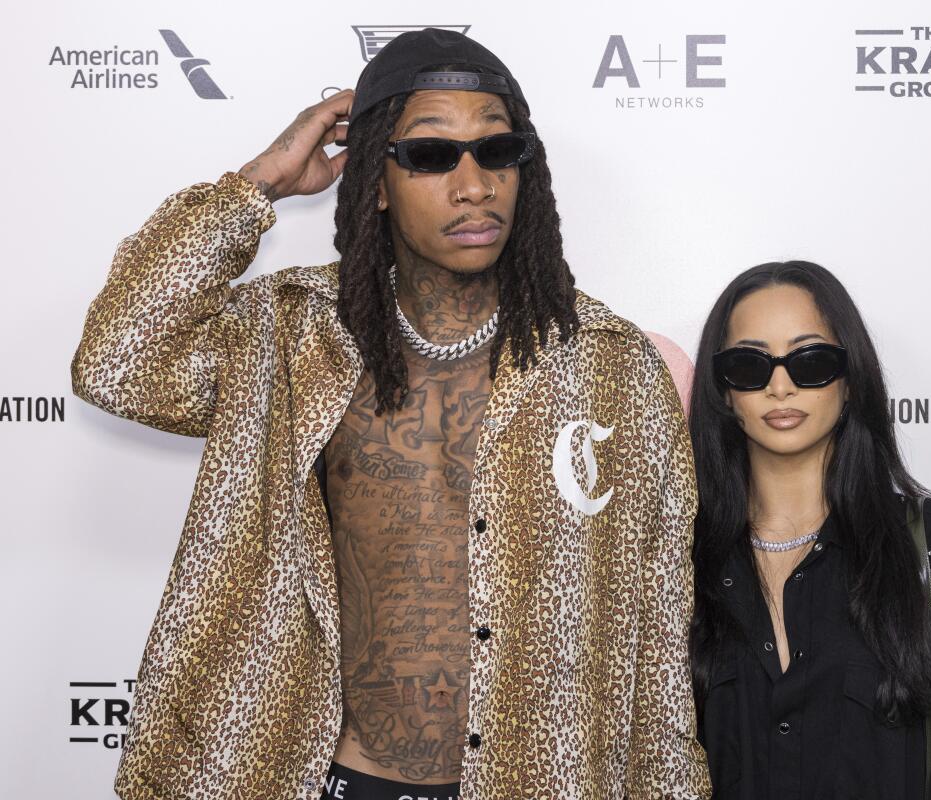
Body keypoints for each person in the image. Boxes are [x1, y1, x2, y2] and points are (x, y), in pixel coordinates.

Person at [71, 28, 709, 800]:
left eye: (497, 152)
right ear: (375, 179)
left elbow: (658, 634)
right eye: (433, 156)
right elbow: (117, 363)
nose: (473, 185)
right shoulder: (290, 338)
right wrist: (255, 187)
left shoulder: (613, 369)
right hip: (332, 778)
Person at [688, 261, 931, 799]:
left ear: (850, 377)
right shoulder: (676, 562)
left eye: (810, 360)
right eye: (749, 365)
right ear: (723, 390)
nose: (779, 385)